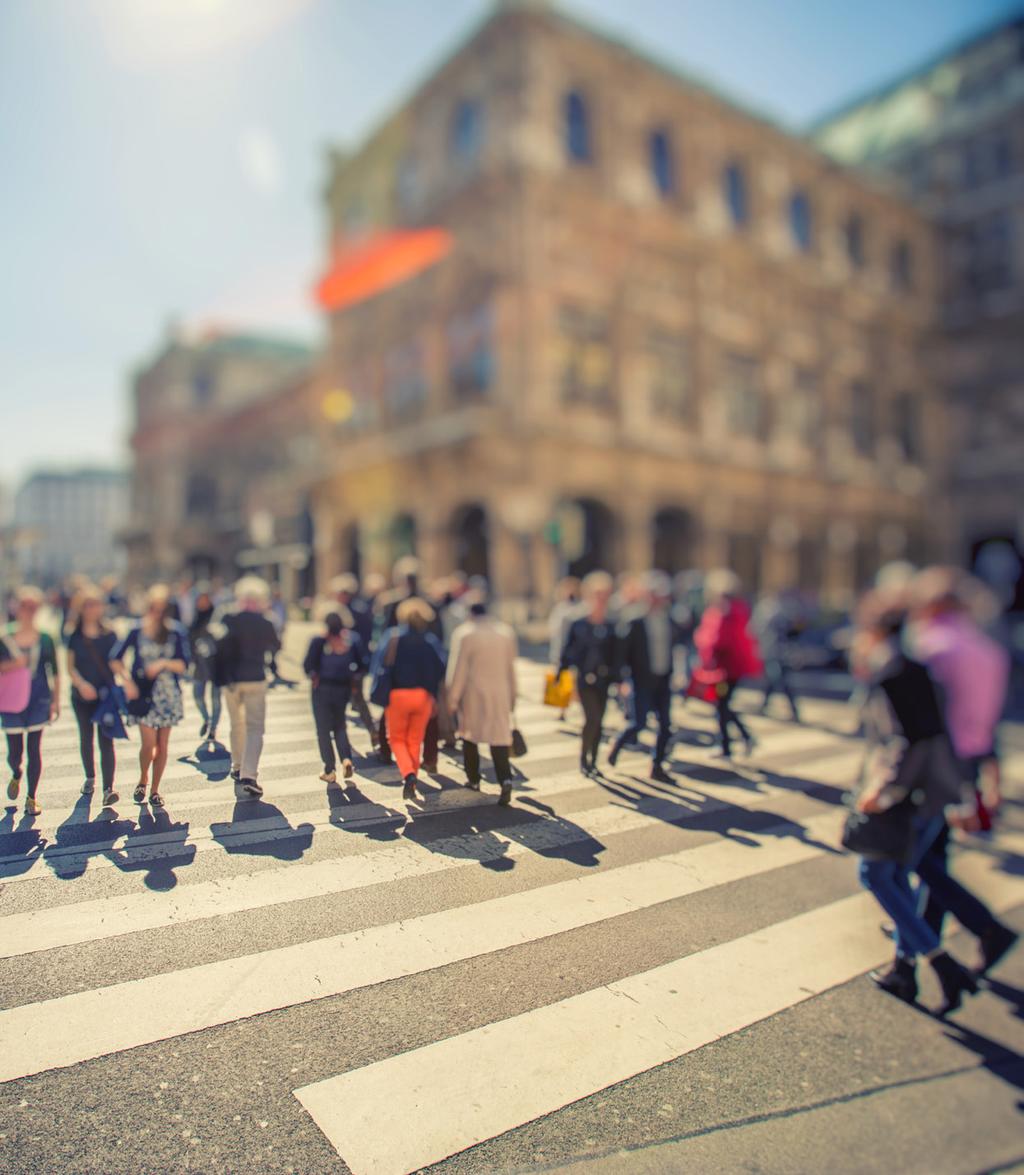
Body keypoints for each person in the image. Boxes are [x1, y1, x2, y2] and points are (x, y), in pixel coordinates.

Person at [849, 590, 979, 1016]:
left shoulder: (893, 673)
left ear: (874, 630)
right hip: (931, 793)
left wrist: (883, 792)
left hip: (912, 796)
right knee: (897, 877)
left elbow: (909, 742)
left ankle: (943, 965)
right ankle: (903, 972)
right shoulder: (914, 668)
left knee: (874, 873)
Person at [906, 566, 1018, 976]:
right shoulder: (986, 648)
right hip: (969, 756)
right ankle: (914, 948)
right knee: (934, 850)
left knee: (908, 855)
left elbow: (911, 712)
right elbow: (991, 716)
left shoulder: (931, 645)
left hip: (934, 759)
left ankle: (985, 926)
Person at [110, 584, 189, 809]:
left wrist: (163, 663)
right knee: (148, 744)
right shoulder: (136, 630)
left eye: (162, 609)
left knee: (163, 744)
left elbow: (184, 664)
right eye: (154, 608)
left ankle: (155, 789)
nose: (158, 613)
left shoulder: (176, 632)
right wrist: (127, 682)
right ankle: (143, 777)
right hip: (143, 695)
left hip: (168, 695)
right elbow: (115, 658)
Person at [608, 571, 683, 783]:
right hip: (641, 680)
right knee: (638, 723)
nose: (660, 599)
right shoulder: (634, 619)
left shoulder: (668, 619)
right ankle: (618, 744)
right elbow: (622, 653)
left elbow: (675, 646)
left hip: (663, 679)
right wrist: (621, 680)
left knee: (666, 726)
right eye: (656, 595)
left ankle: (657, 766)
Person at [447, 599, 518, 805]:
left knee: (469, 736)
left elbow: (458, 668)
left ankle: (474, 779)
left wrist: (453, 697)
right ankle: (505, 779)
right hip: (500, 692)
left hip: (473, 693)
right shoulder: (505, 633)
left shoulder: (464, 634)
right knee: (499, 738)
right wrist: (513, 696)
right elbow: (510, 668)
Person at [374, 597, 446, 802]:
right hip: (422, 696)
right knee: (415, 739)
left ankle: (408, 774)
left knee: (396, 738)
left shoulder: (393, 637)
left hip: (397, 695)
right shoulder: (429, 640)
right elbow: (441, 667)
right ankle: (413, 773)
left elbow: (379, 663)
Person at [217, 576, 281, 798]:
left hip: (231, 680)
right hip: (255, 678)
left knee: (237, 723)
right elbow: (277, 645)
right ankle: (249, 774)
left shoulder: (228, 617)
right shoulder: (265, 622)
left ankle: (236, 766)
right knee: (255, 728)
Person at [690, 570, 762, 759]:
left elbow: (719, 640)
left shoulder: (726, 611)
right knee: (723, 705)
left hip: (725, 669)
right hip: (729, 668)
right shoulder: (735, 609)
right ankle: (742, 739)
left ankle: (730, 745)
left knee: (722, 706)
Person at [2, 587, 60, 817]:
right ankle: (16, 772)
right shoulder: (4, 637)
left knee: (34, 748)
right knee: (14, 752)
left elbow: (54, 671)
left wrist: (56, 700)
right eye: (25, 606)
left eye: (33, 607)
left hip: (39, 697)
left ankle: (32, 797)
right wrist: (14, 665)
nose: (28, 611)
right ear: (17, 608)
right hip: (12, 700)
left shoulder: (46, 638)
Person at [558, 571, 618, 776]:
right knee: (591, 719)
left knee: (600, 721)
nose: (601, 599)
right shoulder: (578, 623)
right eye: (597, 594)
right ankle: (585, 760)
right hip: (583, 678)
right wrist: (561, 674)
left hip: (604, 679)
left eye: (605, 595)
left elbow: (617, 654)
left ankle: (593, 760)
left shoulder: (611, 624)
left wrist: (620, 679)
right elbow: (567, 651)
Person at [65, 583, 120, 806]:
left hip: (106, 696)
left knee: (106, 740)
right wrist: (81, 684)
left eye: (96, 604)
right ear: (81, 608)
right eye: (88, 605)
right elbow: (70, 667)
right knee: (86, 737)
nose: (93, 609)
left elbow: (117, 663)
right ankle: (90, 777)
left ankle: (109, 789)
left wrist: (125, 682)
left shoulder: (110, 634)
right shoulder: (74, 635)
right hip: (82, 695)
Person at [303, 609, 369, 784]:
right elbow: (363, 665)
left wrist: (314, 674)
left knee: (323, 730)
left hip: (322, 689)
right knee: (340, 725)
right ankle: (346, 758)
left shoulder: (319, 641)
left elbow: (307, 665)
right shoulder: (351, 640)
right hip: (343, 688)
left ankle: (329, 769)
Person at [330, 573, 377, 750]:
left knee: (347, 700)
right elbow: (369, 633)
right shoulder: (362, 608)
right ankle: (372, 730)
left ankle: (344, 743)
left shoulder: (339, 612)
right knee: (358, 698)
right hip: (359, 661)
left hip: (345, 663)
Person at [753, 592, 802, 722]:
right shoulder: (774, 612)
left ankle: (792, 710)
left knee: (778, 680)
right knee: (773, 680)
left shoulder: (775, 612)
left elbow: (791, 633)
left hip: (777, 652)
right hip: (773, 651)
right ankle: (765, 706)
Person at [189, 583, 221, 744]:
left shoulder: (217, 617)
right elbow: (188, 642)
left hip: (216, 665)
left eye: (205, 599)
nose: (202, 602)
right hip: (199, 665)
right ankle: (206, 719)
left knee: (215, 698)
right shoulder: (194, 619)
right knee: (198, 696)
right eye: (200, 600)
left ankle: (213, 728)